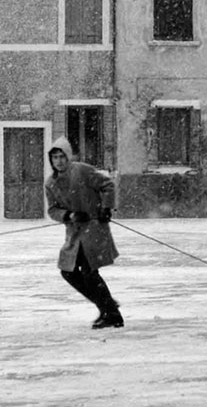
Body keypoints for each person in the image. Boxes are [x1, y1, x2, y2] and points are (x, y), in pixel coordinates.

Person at [45, 136, 123, 328]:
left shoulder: (83, 171)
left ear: (68, 156)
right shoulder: (50, 183)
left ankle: (112, 314)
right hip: (74, 233)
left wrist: (106, 208)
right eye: (55, 157)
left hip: (94, 229)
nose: (59, 161)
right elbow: (52, 210)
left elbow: (108, 185)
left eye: (62, 156)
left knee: (89, 272)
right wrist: (69, 215)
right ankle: (106, 305)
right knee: (68, 272)